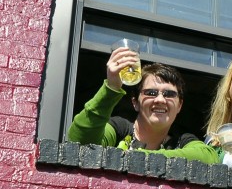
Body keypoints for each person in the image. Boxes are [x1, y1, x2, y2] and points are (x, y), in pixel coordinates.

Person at [68, 45, 219, 164]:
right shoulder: (119, 130)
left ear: (179, 106)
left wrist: (140, 157)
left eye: (169, 94)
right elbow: (80, 141)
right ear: (135, 102)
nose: (160, 99)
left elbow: (209, 157)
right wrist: (112, 87)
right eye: (151, 93)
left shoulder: (182, 141)